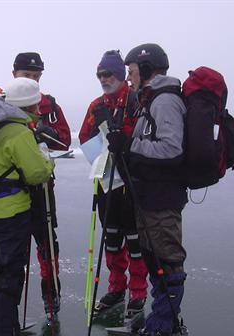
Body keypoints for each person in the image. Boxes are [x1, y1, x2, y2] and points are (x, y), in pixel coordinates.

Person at [107, 43, 188, 336]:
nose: (128, 78)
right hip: (150, 195)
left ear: (147, 69)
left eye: (131, 72)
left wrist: (129, 145)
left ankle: (160, 331)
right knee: (155, 258)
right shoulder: (150, 99)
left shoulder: (165, 101)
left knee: (166, 261)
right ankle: (162, 319)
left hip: (161, 196)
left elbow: (171, 148)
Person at [0, 77, 54, 336]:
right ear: (27, 106)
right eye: (36, 105)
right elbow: (37, 173)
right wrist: (47, 158)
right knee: (10, 272)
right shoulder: (19, 133)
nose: (40, 110)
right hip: (11, 213)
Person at [78, 50, 148, 318]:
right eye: (99, 75)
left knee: (135, 241)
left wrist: (126, 149)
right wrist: (102, 160)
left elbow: (144, 136)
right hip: (108, 180)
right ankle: (117, 289)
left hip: (133, 181)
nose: (103, 79)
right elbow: (85, 136)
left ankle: (138, 292)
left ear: (120, 75)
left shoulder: (136, 100)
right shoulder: (97, 106)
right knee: (113, 239)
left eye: (107, 74)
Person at [12, 52, 71, 320]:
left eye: (36, 76)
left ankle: (51, 297)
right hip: (11, 190)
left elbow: (65, 142)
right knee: (15, 249)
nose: (32, 81)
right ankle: (6, 313)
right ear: (15, 75)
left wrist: (46, 134)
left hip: (43, 189)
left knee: (47, 244)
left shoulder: (49, 105)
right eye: (27, 76)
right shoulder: (2, 104)